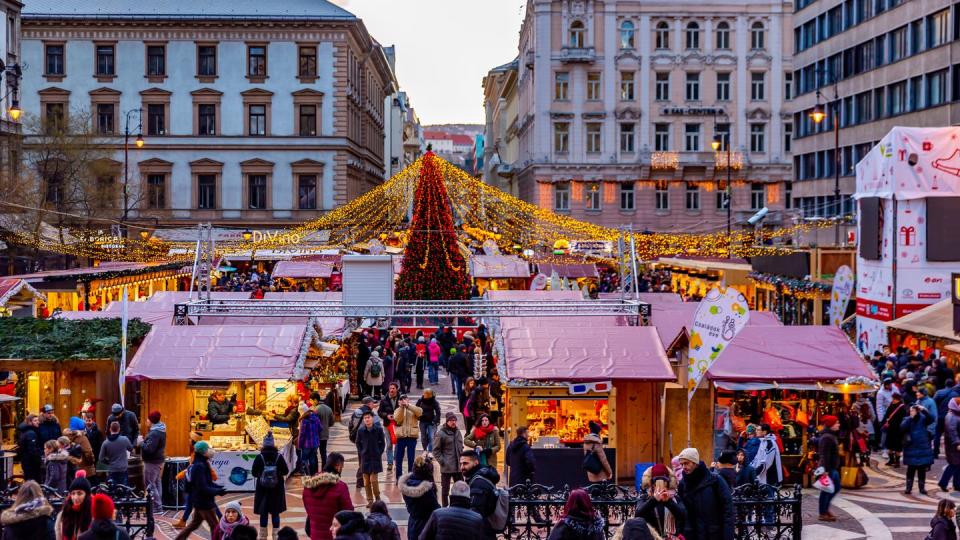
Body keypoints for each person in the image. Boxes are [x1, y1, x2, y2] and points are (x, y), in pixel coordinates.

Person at [675, 448, 734, 540]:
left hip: (713, 534)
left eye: (686, 463)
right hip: (692, 534)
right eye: (681, 464)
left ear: (695, 463)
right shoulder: (683, 484)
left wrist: (727, 536)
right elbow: (681, 512)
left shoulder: (715, 480)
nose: (683, 467)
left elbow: (728, 511)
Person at [174, 441, 227, 540]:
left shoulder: (202, 463)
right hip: (204, 502)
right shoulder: (199, 466)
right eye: (208, 449)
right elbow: (202, 487)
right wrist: (217, 491)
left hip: (200, 500)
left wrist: (218, 488)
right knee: (215, 527)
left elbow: (207, 483)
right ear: (203, 452)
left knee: (194, 524)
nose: (210, 450)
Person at [302, 453, 354, 540]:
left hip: (315, 536)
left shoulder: (308, 486)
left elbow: (308, 510)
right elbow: (348, 513)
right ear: (338, 467)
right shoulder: (340, 487)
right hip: (335, 536)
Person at [252, 432, 290, 539]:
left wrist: (262, 475)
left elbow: (254, 473)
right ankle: (276, 536)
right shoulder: (279, 457)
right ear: (273, 444)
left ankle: (263, 536)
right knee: (275, 513)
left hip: (262, 489)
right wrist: (276, 475)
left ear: (263, 445)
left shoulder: (259, 457)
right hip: (277, 489)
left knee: (263, 514)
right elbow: (285, 471)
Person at [419, 480, 484, 540]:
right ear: (469, 496)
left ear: (451, 495)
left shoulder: (437, 514)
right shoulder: (477, 519)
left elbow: (423, 537)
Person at [635, 464, 686, 539]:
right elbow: (638, 514)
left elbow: (683, 515)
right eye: (656, 481)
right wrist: (654, 500)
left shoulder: (674, 497)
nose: (660, 484)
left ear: (668, 482)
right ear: (651, 483)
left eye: (664, 481)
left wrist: (668, 502)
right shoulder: (645, 497)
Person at [460, 450, 501, 540]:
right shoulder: (481, 474)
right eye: (461, 464)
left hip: (483, 531)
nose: (462, 467)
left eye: (465, 463)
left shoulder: (478, 483)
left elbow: (475, 513)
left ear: (476, 462)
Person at [399, 455, 439, 540]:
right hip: (426, 525)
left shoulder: (406, 485)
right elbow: (436, 508)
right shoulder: (427, 490)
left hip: (412, 523)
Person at [902, 403, 935, 495]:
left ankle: (922, 488)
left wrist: (924, 409)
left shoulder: (923, 418)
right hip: (911, 447)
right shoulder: (907, 419)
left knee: (921, 469)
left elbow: (932, 419)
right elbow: (901, 428)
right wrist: (910, 418)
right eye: (911, 410)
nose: (912, 412)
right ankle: (908, 488)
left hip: (922, 446)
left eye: (914, 410)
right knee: (911, 469)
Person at [433, 412, 464, 507]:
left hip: (458, 466)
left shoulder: (458, 432)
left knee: (461, 488)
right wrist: (443, 462)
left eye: (455, 420)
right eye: (451, 421)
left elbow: (460, 446)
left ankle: (460, 506)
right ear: (447, 421)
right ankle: (445, 507)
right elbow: (436, 450)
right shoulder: (441, 433)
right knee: (445, 490)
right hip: (447, 467)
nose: (453, 422)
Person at [356, 411, 385, 507]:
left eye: (368, 417)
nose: (367, 419)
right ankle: (370, 500)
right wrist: (361, 452)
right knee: (366, 481)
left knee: (373, 480)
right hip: (365, 458)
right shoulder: (361, 430)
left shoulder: (378, 429)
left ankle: (377, 497)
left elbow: (382, 443)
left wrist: (379, 452)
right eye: (365, 418)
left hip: (375, 458)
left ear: (372, 418)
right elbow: (358, 443)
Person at [816, 415, 841, 521]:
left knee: (832, 488)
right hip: (828, 468)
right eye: (836, 423)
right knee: (827, 490)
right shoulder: (827, 437)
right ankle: (823, 512)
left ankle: (825, 509)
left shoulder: (831, 435)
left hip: (831, 467)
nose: (839, 424)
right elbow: (824, 455)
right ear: (831, 425)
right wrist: (825, 470)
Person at [55, 471, 92, 540]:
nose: (75, 497)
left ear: (87, 495)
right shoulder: (63, 515)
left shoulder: (94, 515)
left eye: (79, 493)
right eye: (73, 493)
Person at [141, 411, 166, 513]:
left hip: (152, 461)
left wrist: (141, 443)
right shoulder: (161, 430)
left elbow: (149, 449)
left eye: (148, 419)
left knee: (150, 483)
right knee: (156, 482)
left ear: (151, 421)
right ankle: (158, 504)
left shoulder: (154, 433)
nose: (146, 421)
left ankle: (157, 507)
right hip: (158, 460)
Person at [393, 394, 422, 478]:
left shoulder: (413, 409)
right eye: (401, 399)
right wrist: (402, 407)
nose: (403, 401)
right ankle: (398, 478)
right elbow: (398, 419)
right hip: (401, 437)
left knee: (411, 459)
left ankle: (411, 476)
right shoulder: (397, 410)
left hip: (411, 437)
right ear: (399, 402)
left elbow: (419, 412)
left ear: (408, 400)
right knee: (398, 459)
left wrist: (408, 406)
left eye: (405, 399)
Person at [98, 422, 132, 486]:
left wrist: (109, 462)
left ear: (110, 429)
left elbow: (101, 458)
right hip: (123, 469)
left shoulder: (105, 443)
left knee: (112, 491)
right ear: (119, 429)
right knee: (124, 490)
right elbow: (131, 448)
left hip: (112, 470)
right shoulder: (124, 439)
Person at [881, 392, 908, 468]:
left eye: (893, 398)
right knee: (890, 446)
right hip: (890, 429)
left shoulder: (902, 407)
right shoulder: (891, 405)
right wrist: (885, 422)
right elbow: (887, 414)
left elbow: (902, 419)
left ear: (896, 399)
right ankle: (891, 460)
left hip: (898, 430)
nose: (892, 400)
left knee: (897, 447)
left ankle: (897, 461)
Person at [378, 384, 400, 474]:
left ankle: (397, 461)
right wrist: (386, 416)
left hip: (398, 424)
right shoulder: (384, 399)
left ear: (396, 389)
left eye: (393, 388)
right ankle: (390, 463)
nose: (391, 390)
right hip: (387, 424)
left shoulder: (401, 398)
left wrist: (398, 416)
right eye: (390, 388)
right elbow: (379, 412)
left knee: (398, 444)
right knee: (389, 444)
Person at [300, 403, 324, 477]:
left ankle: (307, 475)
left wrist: (300, 444)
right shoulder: (316, 418)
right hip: (315, 443)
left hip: (306, 444)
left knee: (304, 460)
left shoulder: (304, 420)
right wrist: (315, 434)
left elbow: (302, 434)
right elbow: (320, 428)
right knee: (312, 459)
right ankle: (313, 474)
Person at [16, 414, 41, 482]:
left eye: (38, 420)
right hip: (31, 464)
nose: (38, 422)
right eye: (35, 420)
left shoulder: (25, 431)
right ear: (30, 422)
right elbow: (32, 450)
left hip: (26, 462)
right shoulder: (31, 433)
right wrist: (39, 460)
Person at [313, 393, 335, 470]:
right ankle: (324, 469)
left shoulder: (315, 409)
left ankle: (315, 469)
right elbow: (332, 422)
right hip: (325, 434)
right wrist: (326, 425)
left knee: (314, 453)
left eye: (311, 400)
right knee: (323, 453)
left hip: (316, 435)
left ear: (315, 400)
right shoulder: (329, 409)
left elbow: (313, 423)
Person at [942, 398, 960, 492]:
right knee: (954, 464)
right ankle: (943, 483)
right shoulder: (952, 416)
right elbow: (952, 431)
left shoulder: (955, 414)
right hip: (953, 446)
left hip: (953, 444)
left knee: (957, 464)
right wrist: (957, 443)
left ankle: (957, 484)